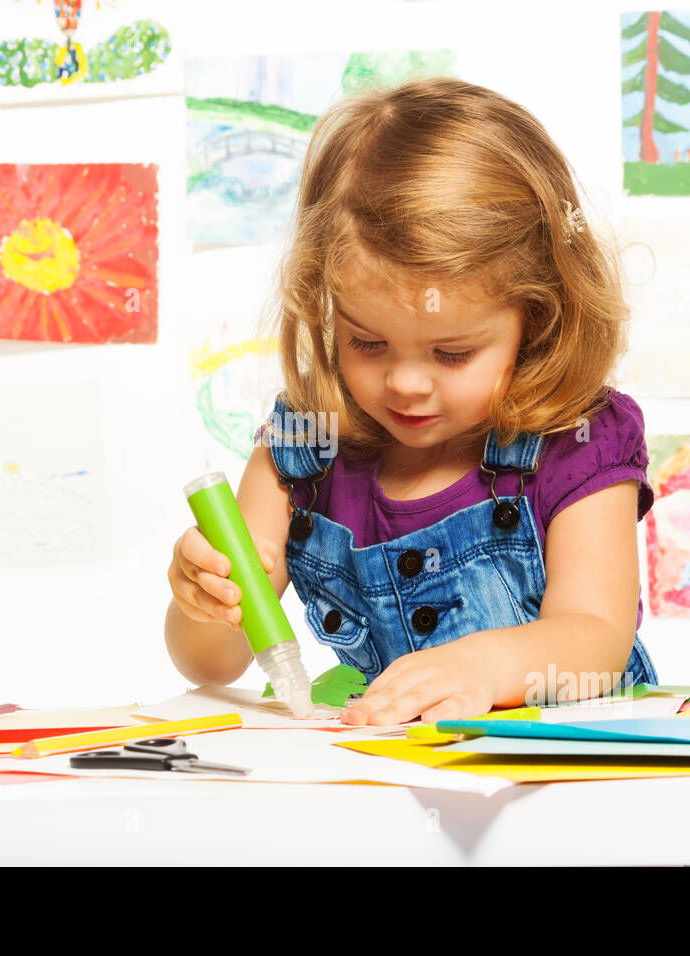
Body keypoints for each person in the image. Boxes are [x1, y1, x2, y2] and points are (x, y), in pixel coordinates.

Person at [166, 76, 659, 726]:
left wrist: (485, 668)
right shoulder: (306, 447)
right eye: (368, 343)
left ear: (535, 318)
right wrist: (204, 600)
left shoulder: (576, 440)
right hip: (403, 793)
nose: (405, 383)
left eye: (451, 354)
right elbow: (210, 664)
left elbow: (596, 636)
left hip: (579, 783)